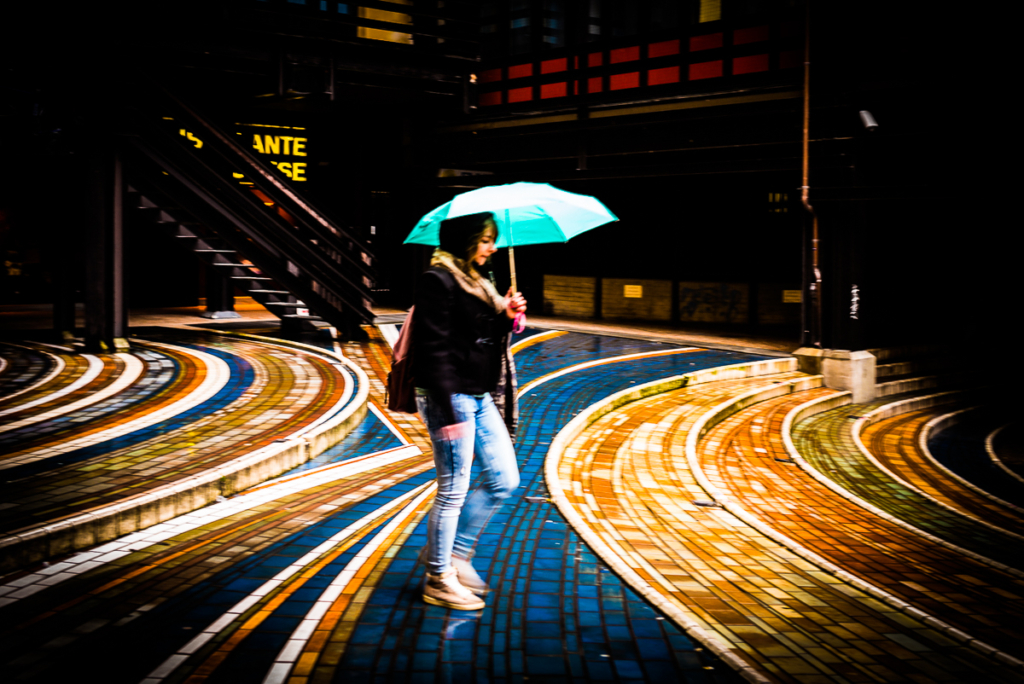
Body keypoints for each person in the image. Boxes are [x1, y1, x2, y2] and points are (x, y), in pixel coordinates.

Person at [412, 211, 527, 610]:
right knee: (453, 490)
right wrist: (448, 416)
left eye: (493, 239)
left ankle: (453, 555)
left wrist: (506, 314)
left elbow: (481, 338)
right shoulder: (438, 280)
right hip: (450, 397)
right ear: (464, 240)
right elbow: (434, 351)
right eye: (484, 240)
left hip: (478, 394)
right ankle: (438, 578)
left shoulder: (480, 281)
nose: (492, 248)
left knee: (504, 479)